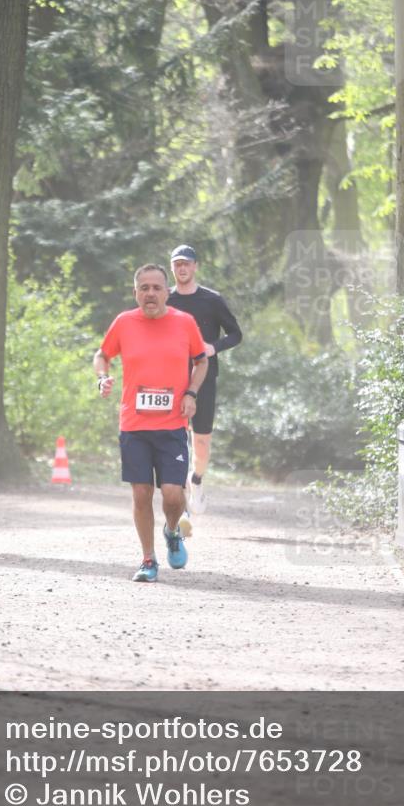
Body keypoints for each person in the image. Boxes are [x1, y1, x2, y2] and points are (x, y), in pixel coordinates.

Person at [94, 264, 208, 583]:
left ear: (167, 293)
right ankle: (148, 559)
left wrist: (191, 393)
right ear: (135, 293)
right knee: (141, 494)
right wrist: (102, 378)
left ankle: (171, 531)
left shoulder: (184, 323)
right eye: (144, 288)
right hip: (134, 425)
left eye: (156, 287)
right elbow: (102, 355)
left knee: (173, 495)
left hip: (172, 426)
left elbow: (202, 361)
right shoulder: (124, 322)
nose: (150, 293)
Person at [166, 244, 243, 515]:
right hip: (170, 378)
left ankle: (196, 479)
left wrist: (213, 347)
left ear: (195, 266)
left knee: (201, 441)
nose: (182, 268)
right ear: (172, 268)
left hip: (205, 377)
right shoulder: (165, 299)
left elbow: (236, 334)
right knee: (173, 437)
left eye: (186, 263)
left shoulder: (212, 300)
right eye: (177, 264)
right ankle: (178, 494)